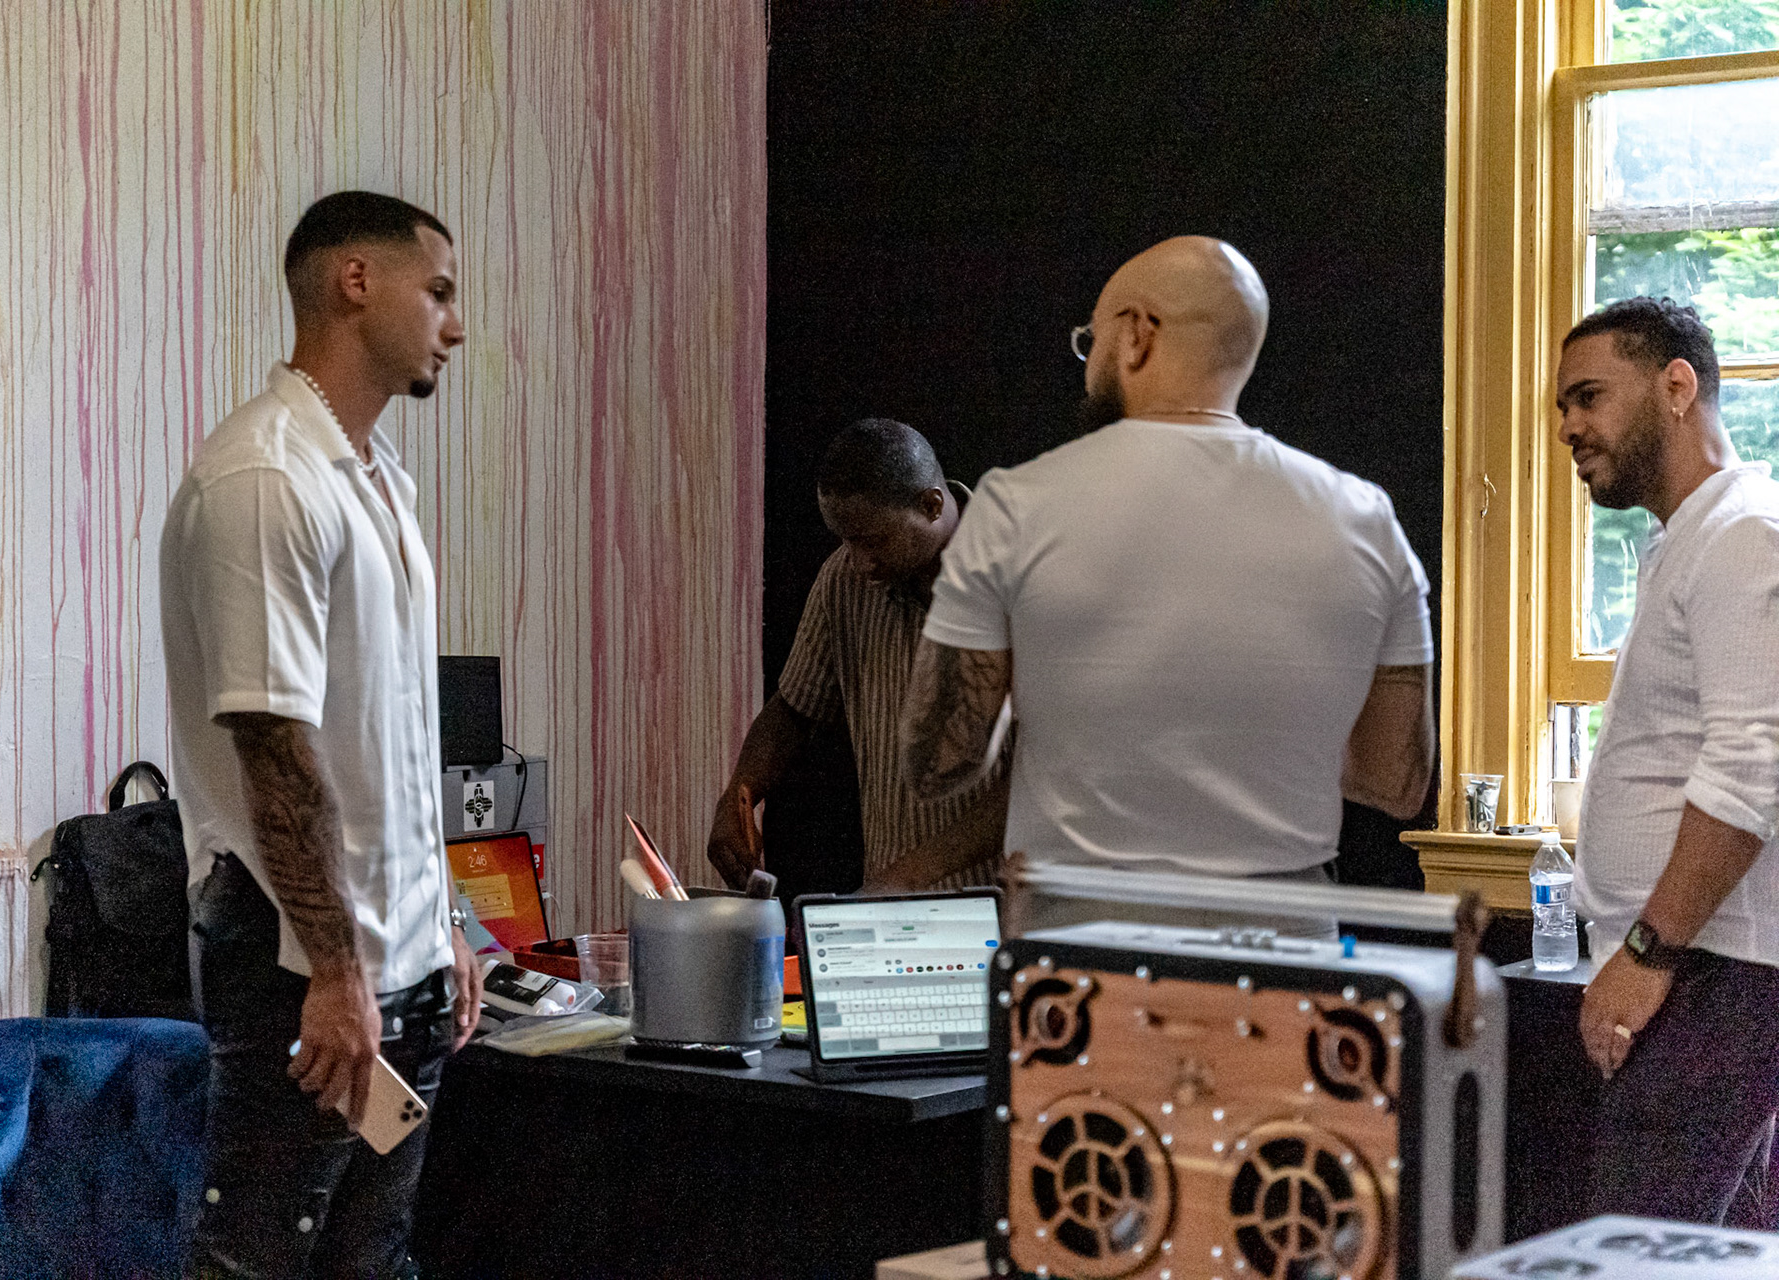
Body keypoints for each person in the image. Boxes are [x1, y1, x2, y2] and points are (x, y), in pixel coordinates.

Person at [899, 237, 1433, 907]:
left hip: (1083, 947)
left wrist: (1037, 683)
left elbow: (936, 763)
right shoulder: (1365, 518)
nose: (1089, 365)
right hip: (1284, 946)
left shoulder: (1016, 506)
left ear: (1136, 334)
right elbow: (1396, 782)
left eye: (1091, 341)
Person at [160, 190, 475, 1279]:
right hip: (299, 960)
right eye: (439, 291)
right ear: (356, 281)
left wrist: (446, 924)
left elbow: (391, 742)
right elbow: (274, 744)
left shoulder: (378, 482)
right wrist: (338, 970)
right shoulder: (266, 477)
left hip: (397, 956)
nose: (455, 324)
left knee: (368, 1260)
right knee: (261, 1261)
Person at [1558, 297, 1779, 1228]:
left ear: (1677, 386)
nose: (1569, 428)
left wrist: (1647, 954)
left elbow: (1752, 765)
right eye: (1565, 407)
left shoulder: (1741, 535)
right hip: (1698, 976)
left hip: (1712, 977)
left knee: (1640, 1256)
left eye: (1589, 397)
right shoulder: (1686, 538)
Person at [707, 419, 1010, 895]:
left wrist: (911, 874)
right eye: (845, 540)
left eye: (874, 540)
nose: (860, 561)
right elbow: (794, 709)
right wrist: (741, 790)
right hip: (889, 904)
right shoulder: (844, 579)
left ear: (931, 505)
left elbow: (1043, 779)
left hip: (1004, 907)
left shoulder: (1018, 579)